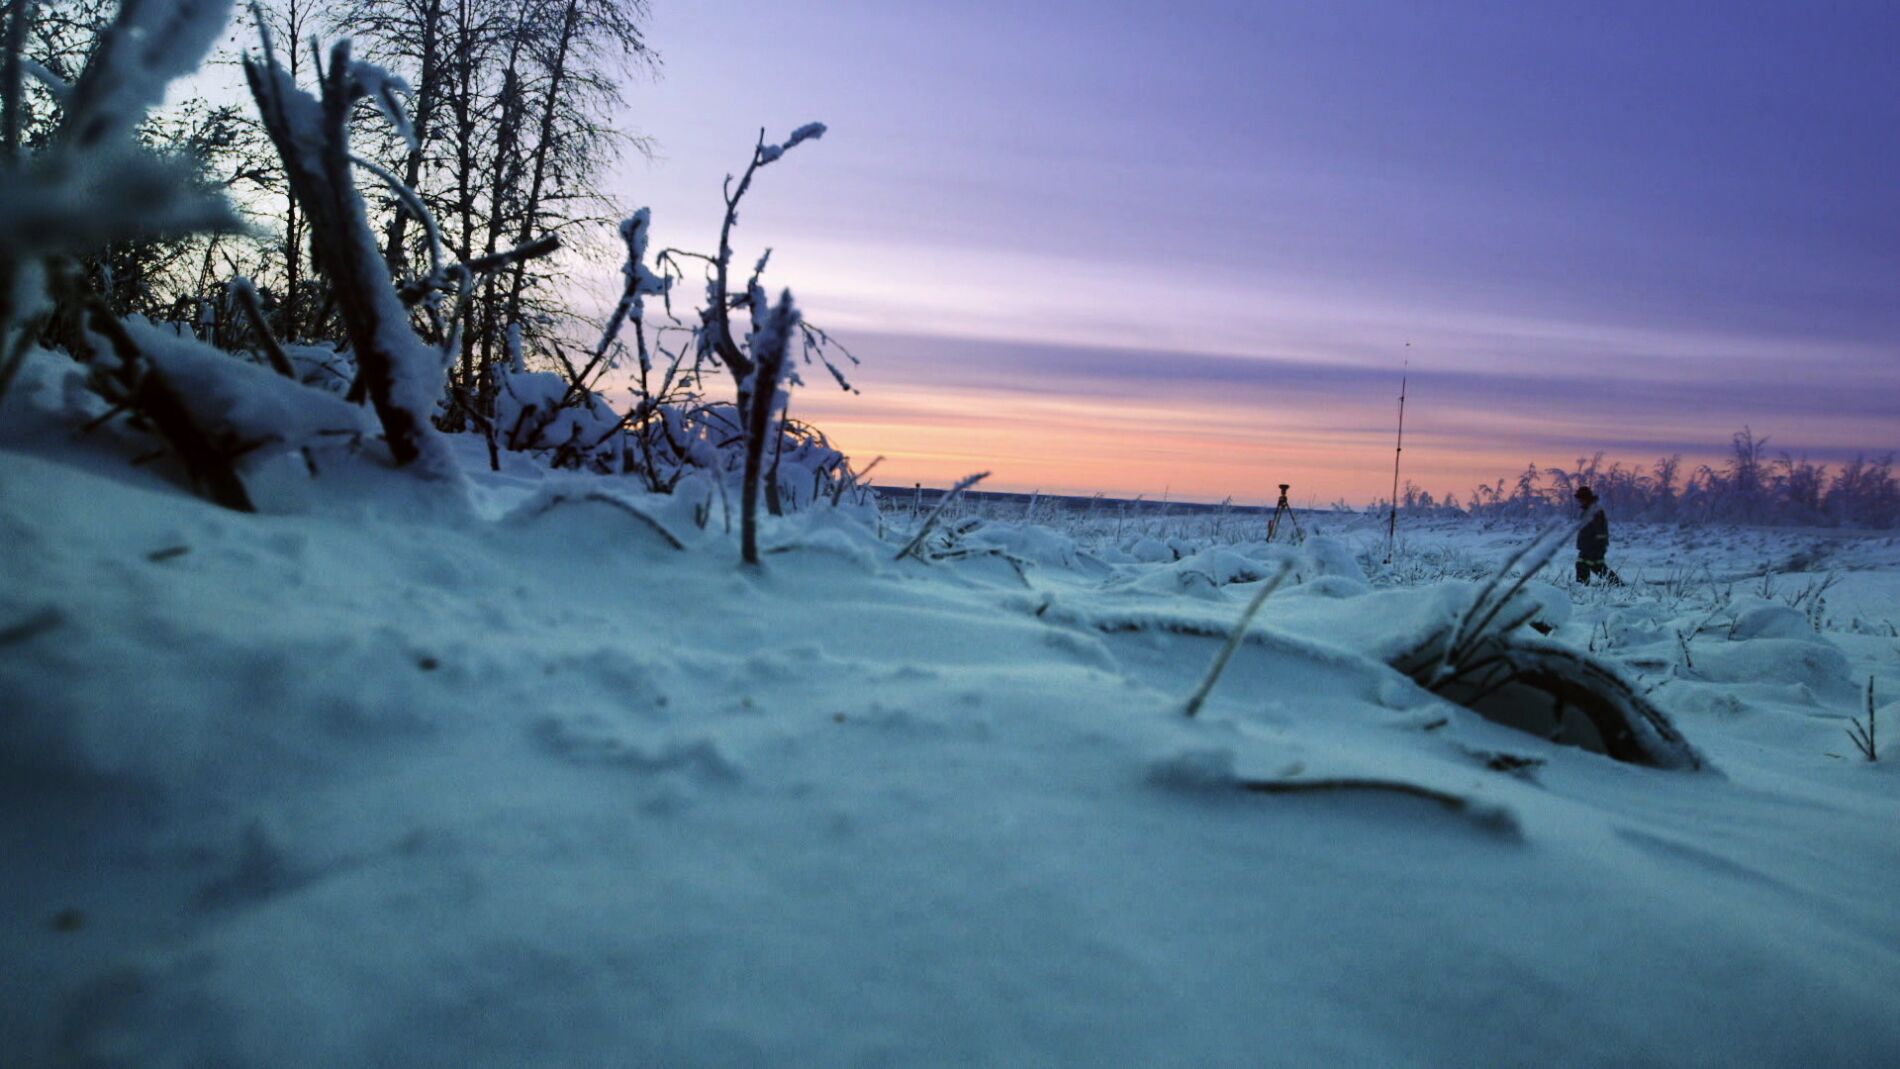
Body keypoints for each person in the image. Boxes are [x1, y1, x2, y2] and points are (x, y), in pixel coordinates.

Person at [1573, 486, 1619, 585]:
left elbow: (1600, 530)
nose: (1579, 501)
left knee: (1583, 565)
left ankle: (1582, 587)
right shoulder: (1587, 510)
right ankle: (1617, 584)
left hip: (1593, 546)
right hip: (1588, 545)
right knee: (1597, 566)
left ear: (1586, 498)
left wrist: (1598, 546)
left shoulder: (1595, 511)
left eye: (1581, 499)